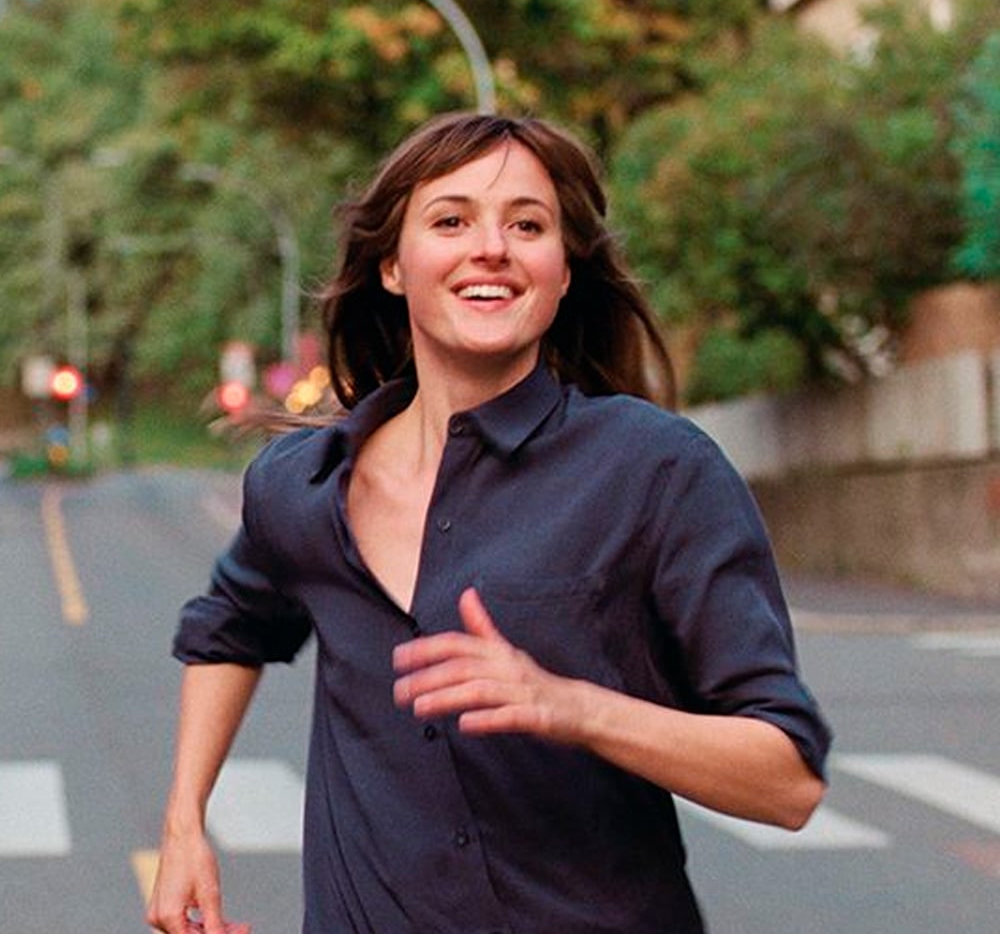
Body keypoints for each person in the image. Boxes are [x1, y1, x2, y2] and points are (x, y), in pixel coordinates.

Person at [147, 112, 831, 934]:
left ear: (564, 271)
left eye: (528, 225)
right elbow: (229, 630)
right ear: (393, 266)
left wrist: (571, 706)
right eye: (451, 219)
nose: (492, 248)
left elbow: (787, 781)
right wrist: (186, 819)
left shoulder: (657, 471)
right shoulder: (301, 485)